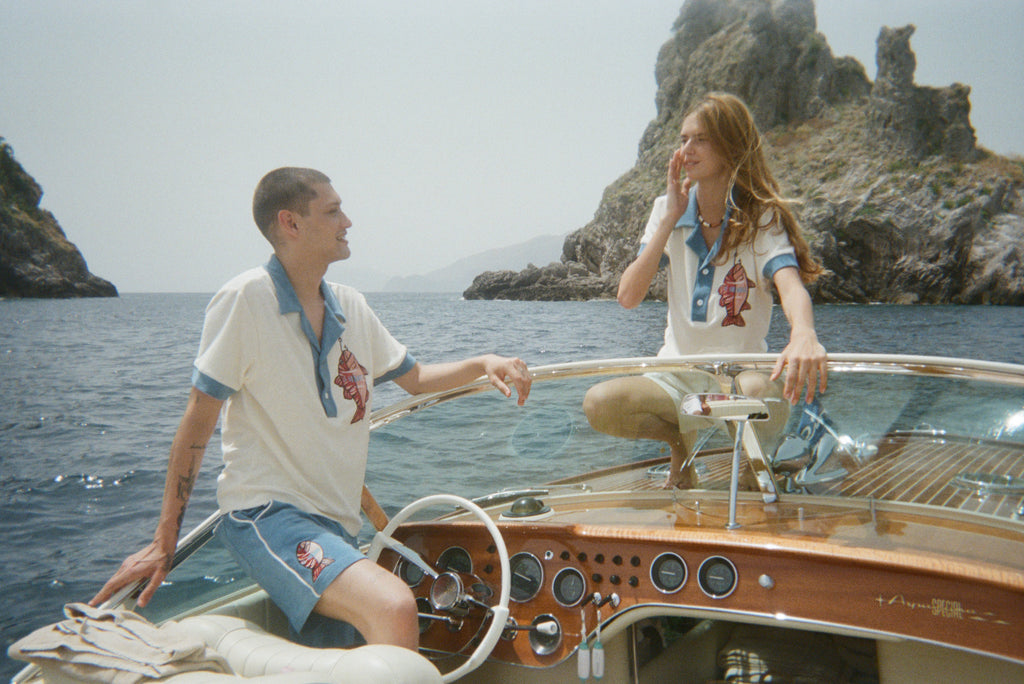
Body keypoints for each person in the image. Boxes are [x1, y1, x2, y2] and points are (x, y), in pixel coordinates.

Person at [90, 167, 532, 651]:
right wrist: (164, 539)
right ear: (290, 223)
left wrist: (484, 362)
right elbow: (198, 420)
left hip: (336, 527)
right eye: (332, 210)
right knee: (393, 606)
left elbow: (416, 379)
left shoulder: (351, 307)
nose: (348, 221)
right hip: (267, 515)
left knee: (350, 653)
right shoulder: (245, 300)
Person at [583, 92, 826, 488]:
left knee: (751, 394)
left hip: (743, 378)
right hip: (674, 377)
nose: (687, 149)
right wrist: (670, 220)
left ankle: (753, 465)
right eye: (683, 140)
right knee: (599, 403)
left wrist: (804, 333)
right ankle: (682, 446)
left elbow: (790, 285)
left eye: (701, 139)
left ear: (730, 147)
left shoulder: (760, 216)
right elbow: (628, 297)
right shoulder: (667, 208)